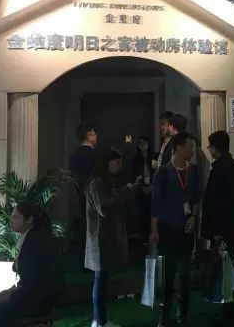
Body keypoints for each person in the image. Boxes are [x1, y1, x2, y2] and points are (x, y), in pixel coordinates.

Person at [0, 202, 64, 327]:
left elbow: (31, 283)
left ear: (29, 219)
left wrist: (10, 296)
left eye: (16, 217)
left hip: (40, 299)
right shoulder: (33, 237)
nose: (11, 220)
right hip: (39, 294)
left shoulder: (34, 242)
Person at [202, 130, 234, 324]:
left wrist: (215, 230)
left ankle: (233, 307)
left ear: (215, 148)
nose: (210, 151)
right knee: (230, 264)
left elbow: (216, 203)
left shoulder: (219, 170)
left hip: (223, 227)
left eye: (210, 147)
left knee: (226, 268)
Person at [151, 133, 201, 327]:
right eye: (190, 147)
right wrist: (154, 230)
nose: (193, 151)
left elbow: (196, 197)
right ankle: (164, 314)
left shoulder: (193, 171)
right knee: (168, 274)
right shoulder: (163, 172)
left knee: (185, 273)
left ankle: (183, 312)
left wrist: (194, 217)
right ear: (179, 148)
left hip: (186, 229)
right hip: (167, 229)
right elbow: (155, 204)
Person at [85, 149, 138, 327]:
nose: (119, 166)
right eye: (116, 162)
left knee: (102, 279)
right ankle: (100, 321)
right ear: (106, 163)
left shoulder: (103, 181)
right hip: (99, 238)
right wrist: (126, 191)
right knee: (100, 280)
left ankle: (100, 320)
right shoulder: (97, 183)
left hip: (104, 237)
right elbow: (106, 208)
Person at [69, 124, 98, 253]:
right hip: (96, 196)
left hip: (81, 194)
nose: (96, 136)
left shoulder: (74, 155)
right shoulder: (95, 155)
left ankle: (84, 255)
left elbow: (74, 177)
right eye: (94, 134)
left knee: (85, 223)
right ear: (89, 136)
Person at [133, 136, 159, 243]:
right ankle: (144, 239)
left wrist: (152, 186)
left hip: (153, 187)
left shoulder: (154, 156)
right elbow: (133, 175)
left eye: (144, 142)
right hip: (142, 188)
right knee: (142, 214)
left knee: (153, 213)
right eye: (140, 143)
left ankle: (153, 235)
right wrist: (141, 186)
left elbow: (158, 173)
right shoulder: (136, 159)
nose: (142, 145)